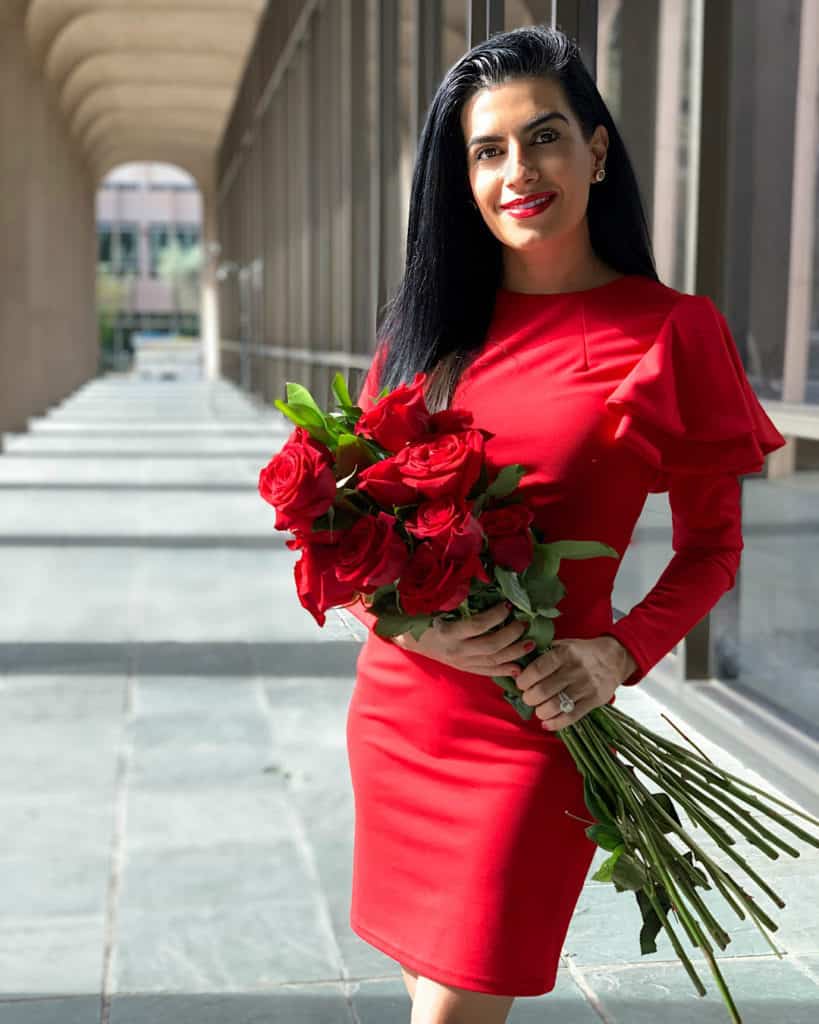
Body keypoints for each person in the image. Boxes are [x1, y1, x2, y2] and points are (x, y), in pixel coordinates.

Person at [343, 24, 786, 1024]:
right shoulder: (422, 335)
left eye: (543, 138)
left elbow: (712, 548)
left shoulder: (672, 330)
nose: (518, 170)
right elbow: (356, 554)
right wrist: (412, 623)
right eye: (487, 151)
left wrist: (616, 655)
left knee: (454, 1008)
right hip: (401, 718)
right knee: (433, 994)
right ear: (460, 179)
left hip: (535, 732)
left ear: (595, 150)